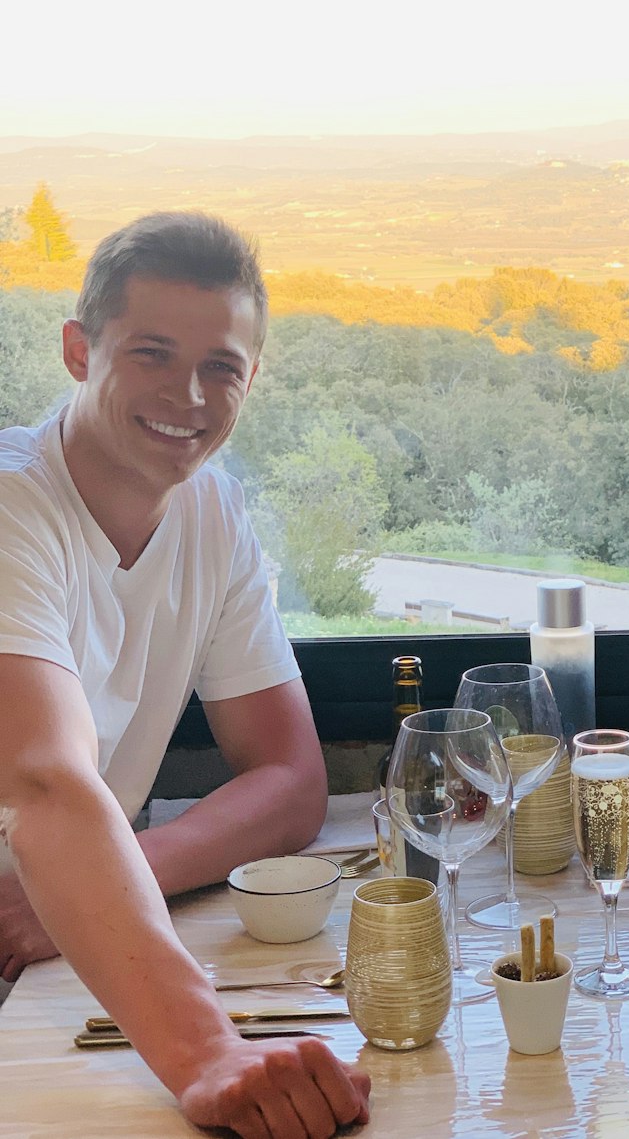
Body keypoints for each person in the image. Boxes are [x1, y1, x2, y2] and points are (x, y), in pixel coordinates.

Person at [0, 212, 371, 1134]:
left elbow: (290, 782)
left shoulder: (213, 510)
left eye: (221, 367)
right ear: (80, 351)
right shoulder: (12, 505)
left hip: (54, 935)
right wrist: (209, 1052)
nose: (189, 395)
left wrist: (115, 878)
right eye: (153, 354)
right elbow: (44, 784)